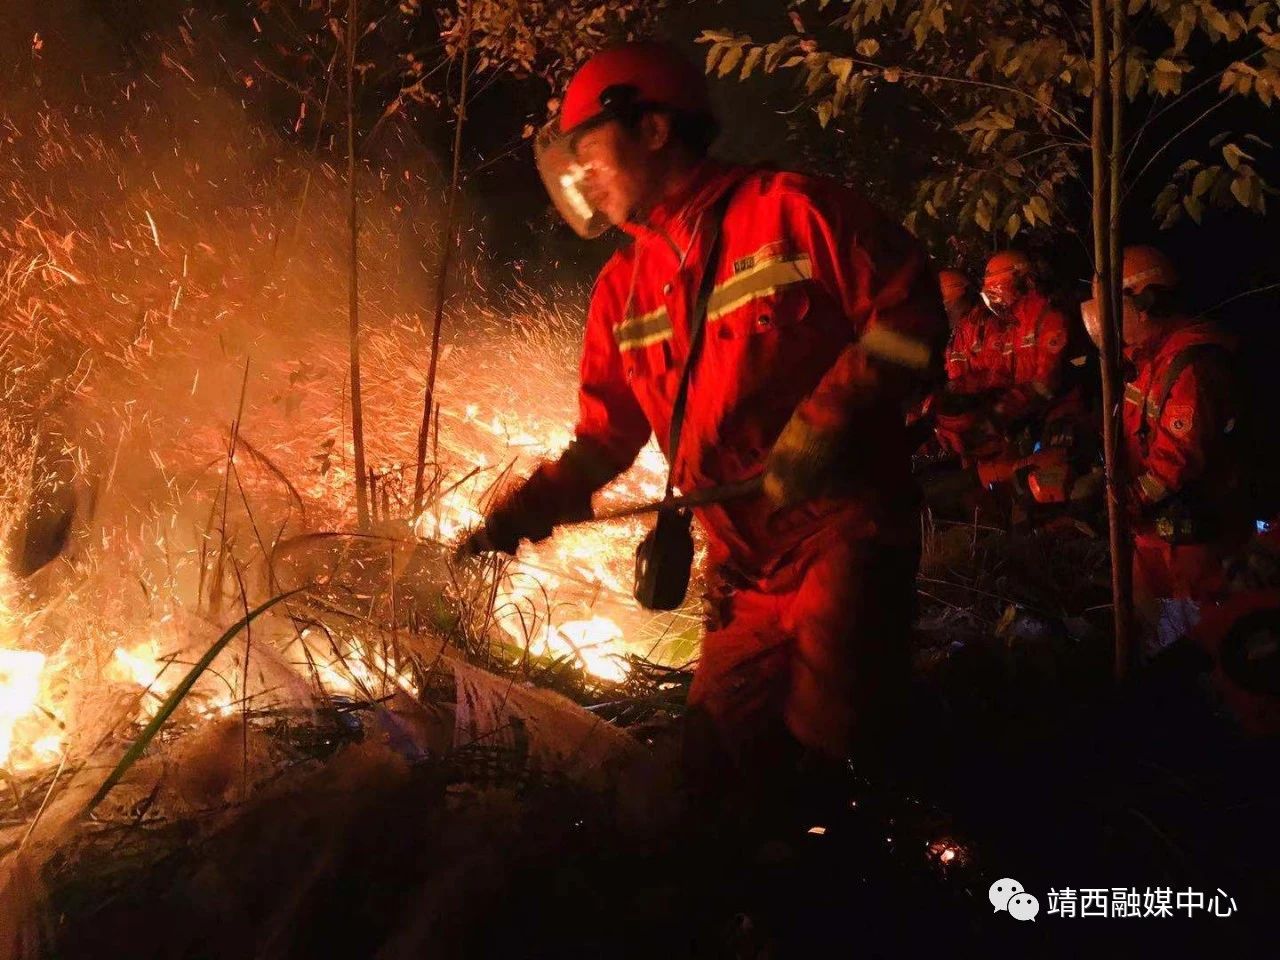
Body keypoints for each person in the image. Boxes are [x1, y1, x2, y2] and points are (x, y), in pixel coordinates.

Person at [472, 42, 948, 799]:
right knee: (715, 767)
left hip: (842, 532)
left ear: (654, 129)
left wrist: (830, 420)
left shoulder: (790, 211)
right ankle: (742, 903)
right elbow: (605, 438)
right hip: (743, 570)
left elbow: (910, 310)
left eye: (590, 148)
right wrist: (533, 505)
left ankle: (877, 883)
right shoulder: (621, 290)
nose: (581, 175)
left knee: (830, 754)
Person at [1082, 245, 1249, 656]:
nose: (1108, 322)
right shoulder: (1149, 358)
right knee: (1150, 634)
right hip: (1154, 534)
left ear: (1148, 303)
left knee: (1195, 646)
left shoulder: (1193, 364)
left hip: (1192, 541)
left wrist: (1124, 499)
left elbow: (1178, 463)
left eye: (1115, 307)